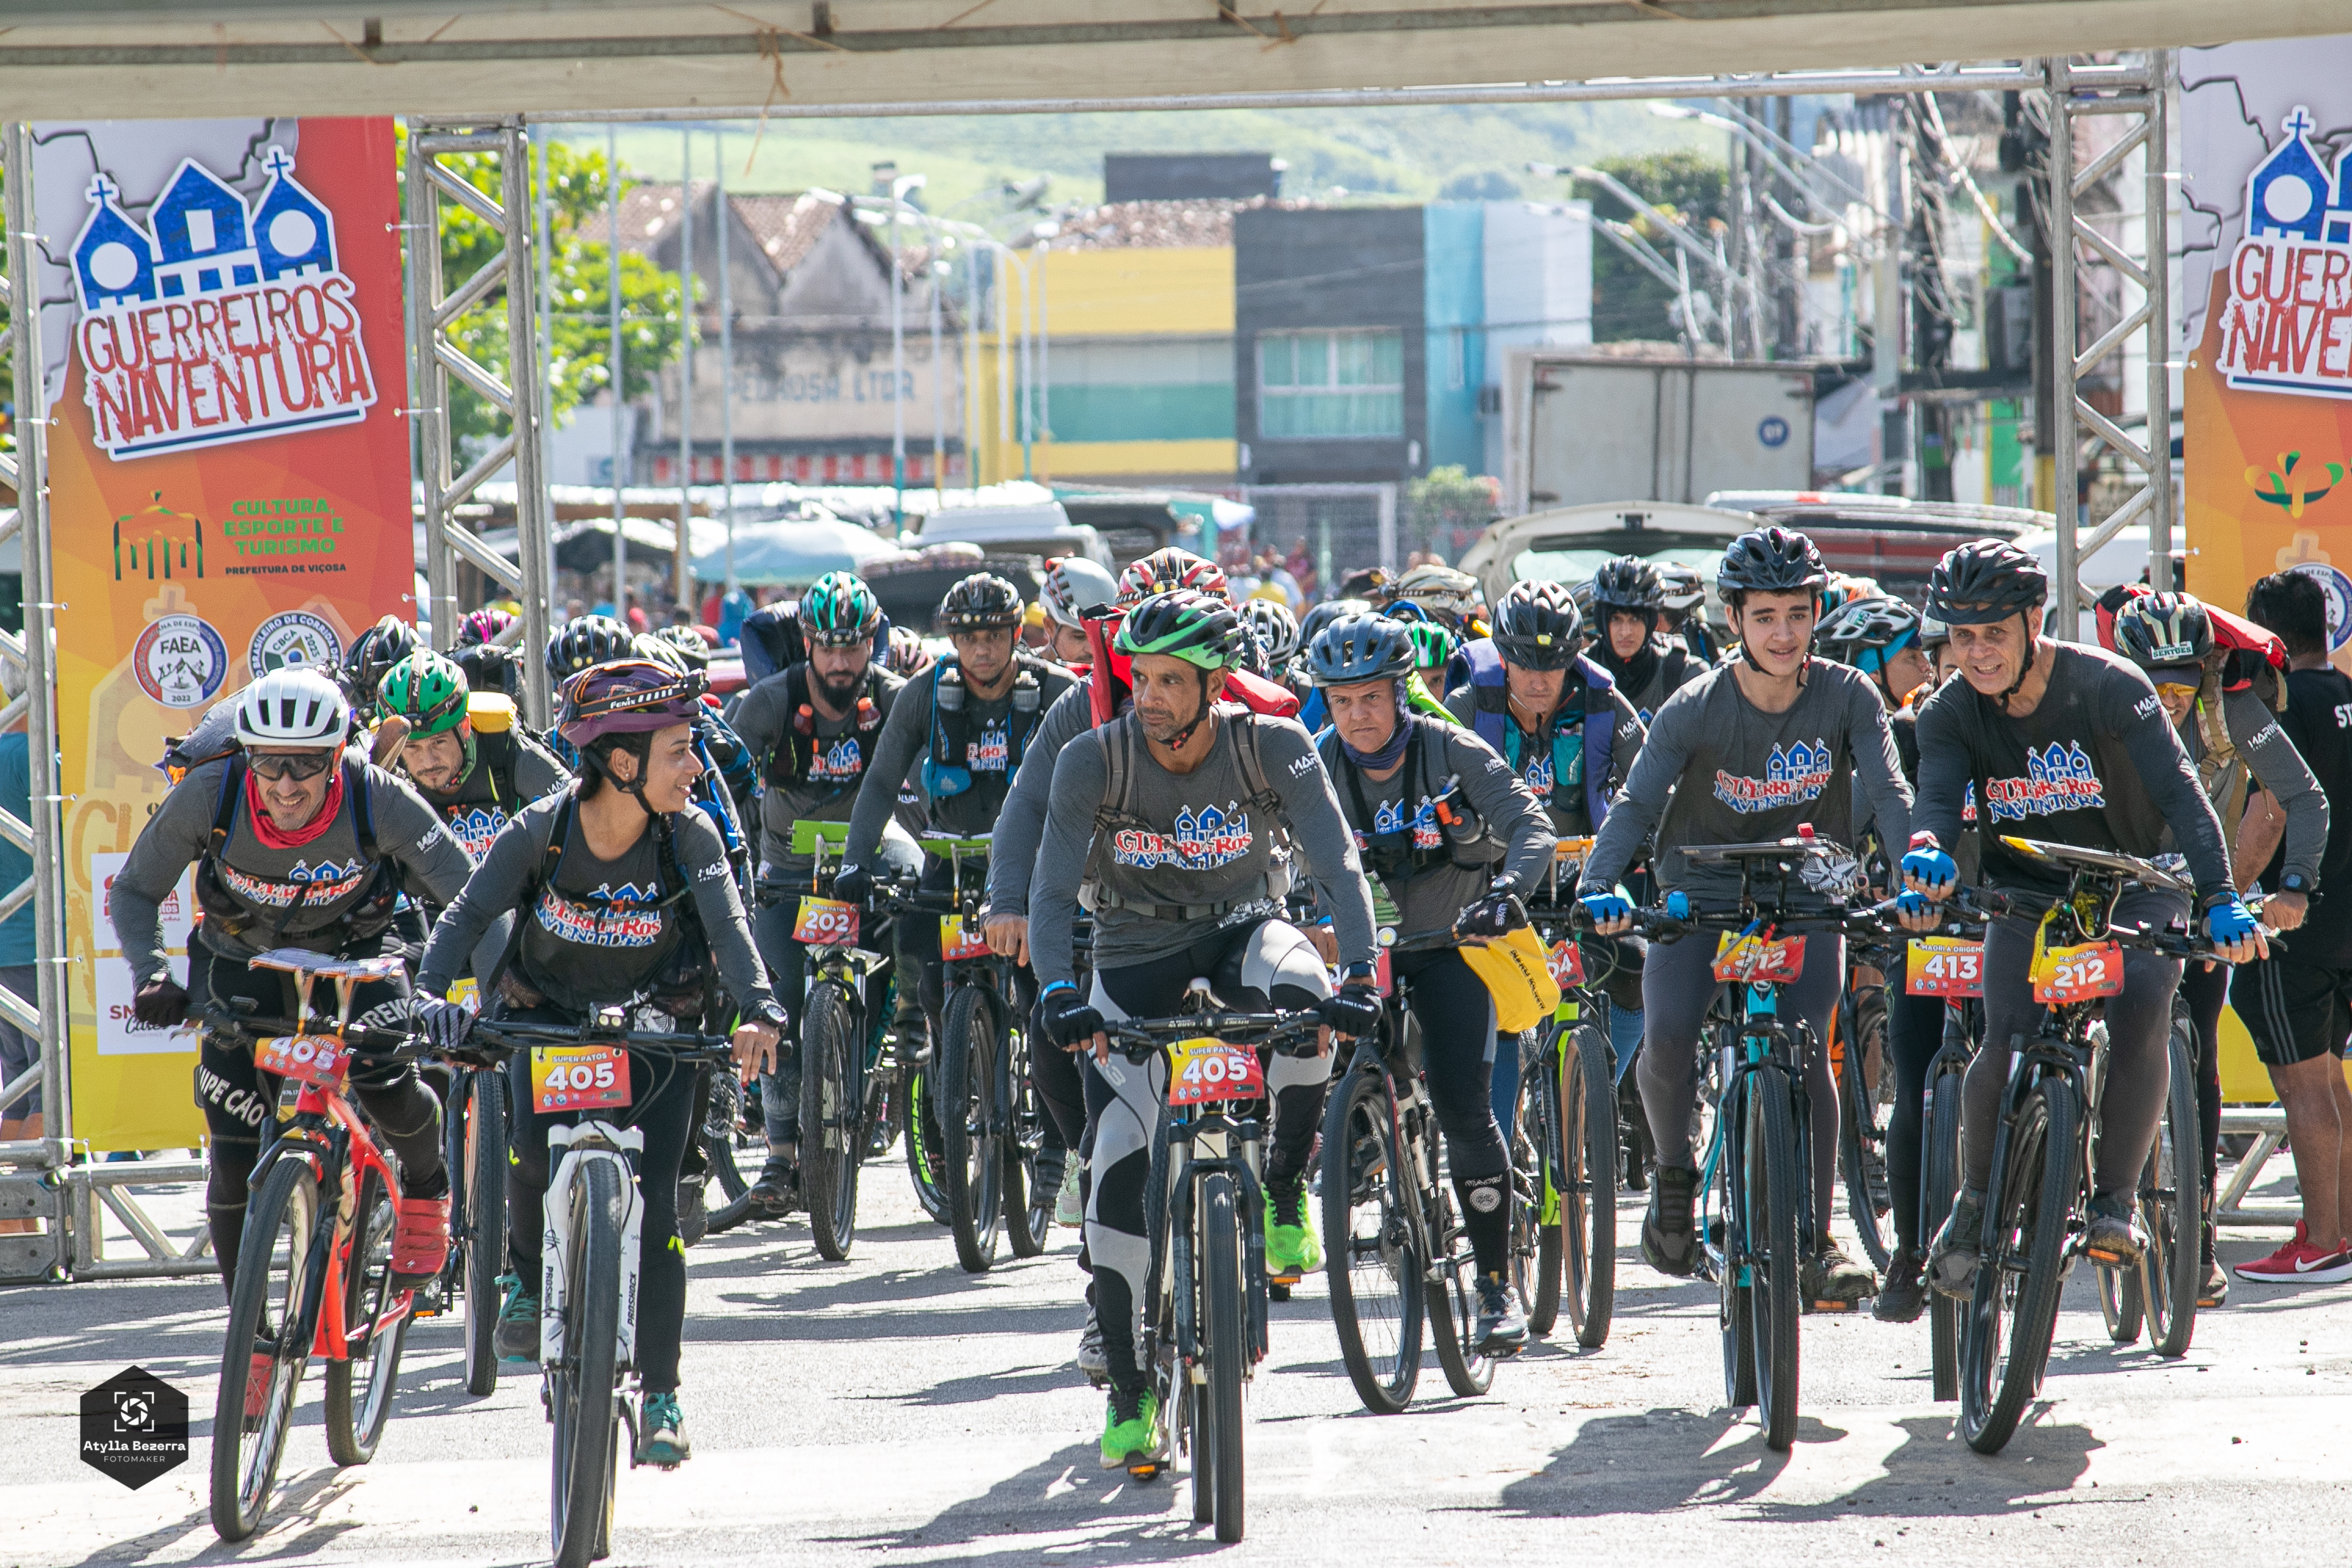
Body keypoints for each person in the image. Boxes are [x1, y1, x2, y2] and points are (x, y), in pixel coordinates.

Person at [1027, 590, 1377, 1469]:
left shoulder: (1272, 748)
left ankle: (1286, 1186)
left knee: (1305, 990)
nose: (1148, 696)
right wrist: (1059, 989)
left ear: (1214, 685)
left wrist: (1363, 970)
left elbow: (1336, 861)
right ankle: (1132, 1390)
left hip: (1241, 932)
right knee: (1115, 1161)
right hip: (1131, 953)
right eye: (1139, 678)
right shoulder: (1092, 759)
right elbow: (1047, 888)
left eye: (1170, 682)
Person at [411, 659, 785, 1467]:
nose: (697, 769)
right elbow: (465, 917)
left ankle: (660, 1393)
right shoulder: (539, 830)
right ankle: (525, 1283)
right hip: (544, 1017)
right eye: (681, 752)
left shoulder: (692, 835)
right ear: (623, 765)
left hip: (659, 1030)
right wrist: (430, 997)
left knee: (655, 1224)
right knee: (531, 1161)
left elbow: (731, 935)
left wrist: (761, 1010)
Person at [1898, 540, 2264, 1298]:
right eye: (1961, 638)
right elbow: (1934, 799)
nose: (1977, 653)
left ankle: (2115, 1205)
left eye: (1993, 633)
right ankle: (1973, 1205)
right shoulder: (1950, 712)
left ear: (2034, 619)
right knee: (2002, 1038)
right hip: (2029, 893)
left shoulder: (2110, 686)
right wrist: (1927, 848)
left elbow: (2184, 799)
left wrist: (2220, 895)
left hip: (2138, 880)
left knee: (2140, 1006)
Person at [1582, 526, 1910, 1307]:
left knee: (1809, 1053)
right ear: (1735, 620)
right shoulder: (1694, 707)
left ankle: (1819, 1239)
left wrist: (1916, 866)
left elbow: (1894, 795)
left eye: (1797, 614)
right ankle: (1671, 1175)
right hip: (1699, 896)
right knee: (1666, 1037)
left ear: (1817, 613)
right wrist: (1598, 883)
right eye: (1765, 617)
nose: (1783, 633)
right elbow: (1634, 806)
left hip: (1807, 894)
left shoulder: (1850, 696)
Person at [110, 668, 475, 1297]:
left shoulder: (377, 796)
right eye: (269, 762)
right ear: (247, 754)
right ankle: (246, 1333)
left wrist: (492, 999)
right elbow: (137, 890)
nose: (284, 784)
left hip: (358, 951)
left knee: (383, 1084)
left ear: (337, 757)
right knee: (229, 1162)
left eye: (305, 766)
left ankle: (426, 1184)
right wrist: (153, 973)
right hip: (244, 957)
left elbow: (471, 898)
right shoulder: (208, 793)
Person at [1310, 610, 1551, 1351]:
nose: (1358, 716)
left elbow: (1530, 824)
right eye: (1343, 701)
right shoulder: (1313, 760)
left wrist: (1508, 890)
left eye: (1372, 698)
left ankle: (1494, 1285)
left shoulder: (1452, 748)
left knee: (1464, 1111)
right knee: (1335, 1088)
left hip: (1453, 948)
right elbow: (1274, 844)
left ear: (1401, 693)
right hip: (1363, 957)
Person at [2109, 589, 2327, 1305]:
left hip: (2201, 883)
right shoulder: (2098, 697)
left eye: (2182, 684)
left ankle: (2197, 1242)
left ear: (2205, 670)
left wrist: (2292, 884)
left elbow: (2305, 796)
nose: (2168, 701)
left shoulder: (2229, 708)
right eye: (2153, 684)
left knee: (2196, 1043)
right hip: (2115, 874)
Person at [834, 573, 1079, 1067]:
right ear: (952, 640)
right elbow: (881, 781)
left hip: (1032, 865)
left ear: (1017, 635)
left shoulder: (1060, 690)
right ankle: (952, 1083)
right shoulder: (922, 694)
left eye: (993, 637)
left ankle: (1050, 1128)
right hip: (950, 859)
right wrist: (854, 862)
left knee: (1040, 995)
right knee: (927, 981)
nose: (981, 651)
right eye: (968, 639)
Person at [727, 571, 908, 1215]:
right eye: (827, 647)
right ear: (806, 640)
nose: (839, 662)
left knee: (915, 928)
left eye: (853, 647)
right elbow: (722, 783)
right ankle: (780, 1157)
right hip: (786, 872)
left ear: (873, 642)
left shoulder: (895, 700)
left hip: (870, 862)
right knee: (780, 1009)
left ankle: (893, 1064)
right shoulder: (770, 702)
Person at [1444, 580, 1649, 1102]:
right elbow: (1433, 783)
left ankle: (1589, 1102)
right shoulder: (1470, 704)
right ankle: (1503, 1151)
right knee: (1502, 1008)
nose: (1539, 681)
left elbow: (1652, 782)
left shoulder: (1602, 702)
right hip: (1493, 883)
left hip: (1583, 881)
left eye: (1554, 666)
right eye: (1525, 666)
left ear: (1576, 658)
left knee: (1637, 969)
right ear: (1502, 657)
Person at [2233, 571, 2352, 1285]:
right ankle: (2338, 1230)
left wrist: (2222, 893)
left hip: (2293, 918)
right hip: (2344, 922)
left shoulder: (2281, 705)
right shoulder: (2345, 696)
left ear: (2268, 638)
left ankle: (2325, 1240)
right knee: (2330, 1083)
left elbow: (2270, 812)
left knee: (2305, 1086)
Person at [0, 660, 38, 1233]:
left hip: (8, 948)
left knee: (15, 1088)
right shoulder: (47, 758)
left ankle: (18, 1226)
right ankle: (27, 1218)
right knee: (47, 1095)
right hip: (42, 949)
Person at [1586, 556, 1704, 723]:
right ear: (1601, 621)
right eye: (1616, 619)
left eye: (1636, 619)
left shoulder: (1682, 672)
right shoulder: (1578, 672)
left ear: (1652, 622)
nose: (1626, 632)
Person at [1041, 556, 1121, 668]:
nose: (1092, 650)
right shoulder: (1018, 676)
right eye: (1079, 637)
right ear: (1050, 627)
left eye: (1101, 637)